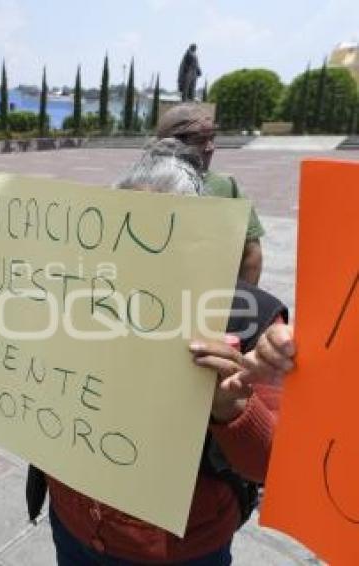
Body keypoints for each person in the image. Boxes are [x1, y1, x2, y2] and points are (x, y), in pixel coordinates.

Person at [45, 139, 290, 565]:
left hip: (181, 548)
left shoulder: (249, 318)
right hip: (72, 524)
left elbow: (272, 466)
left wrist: (233, 409)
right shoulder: (72, 294)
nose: (135, 251)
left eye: (158, 237)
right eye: (120, 230)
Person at [157, 104, 265, 285]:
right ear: (169, 143)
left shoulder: (225, 187)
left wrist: (240, 304)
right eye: (200, 140)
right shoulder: (139, 185)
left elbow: (251, 255)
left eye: (212, 138)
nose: (210, 148)